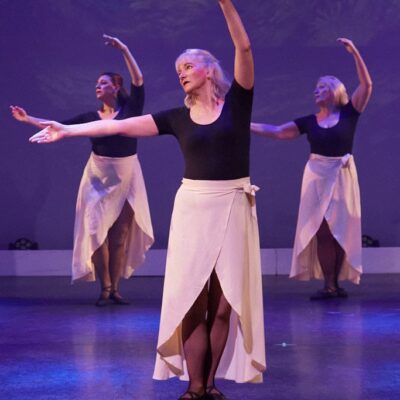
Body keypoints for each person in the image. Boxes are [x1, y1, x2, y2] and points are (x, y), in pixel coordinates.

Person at [29, 1, 266, 398]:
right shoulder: (176, 117)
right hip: (194, 208)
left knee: (224, 304)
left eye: (187, 66)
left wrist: (225, 3)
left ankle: (210, 384)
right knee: (193, 299)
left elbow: (243, 47)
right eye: (177, 71)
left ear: (209, 69)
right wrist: (66, 131)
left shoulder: (238, 105)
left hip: (234, 205)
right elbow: (117, 125)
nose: (182, 74)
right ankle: (194, 386)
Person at [11, 35, 154, 307]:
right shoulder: (90, 118)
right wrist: (27, 119)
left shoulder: (131, 109)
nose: (98, 87)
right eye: (96, 84)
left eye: (103, 83)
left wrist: (124, 49)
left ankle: (116, 289)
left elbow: (138, 80)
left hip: (127, 174)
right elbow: (58, 126)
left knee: (120, 236)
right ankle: (105, 287)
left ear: (116, 87)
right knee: (96, 232)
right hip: (98, 176)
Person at [251, 38, 372, 300]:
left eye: (322, 87)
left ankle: (335, 284)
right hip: (317, 177)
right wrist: (246, 125)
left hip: (342, 176)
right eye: (316, 88)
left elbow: (367, 85)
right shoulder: (309, 121)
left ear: (335, 91)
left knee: (341, 231)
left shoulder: (349, 113)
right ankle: (330, 285)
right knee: (323, 231)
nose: (316, 91)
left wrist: (355, 53)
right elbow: (278, 131)